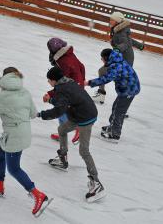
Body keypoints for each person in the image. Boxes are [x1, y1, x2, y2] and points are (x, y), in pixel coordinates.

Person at [0, 67, 50, 216]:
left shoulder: (3, 96)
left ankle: (37, 194)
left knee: (14, 169)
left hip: (14, 136)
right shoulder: (25, 92)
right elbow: (33, 114)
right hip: (21, 133)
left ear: (4, 78)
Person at [37, 66, 105, 202]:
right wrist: (50, 100)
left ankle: (96, 183)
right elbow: (63, 101)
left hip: (86, 118)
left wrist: (40, 114)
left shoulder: (63, 89)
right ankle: (63, 158)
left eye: (49, 80)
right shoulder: (68, 82)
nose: (48, 83)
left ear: (54, 80)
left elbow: (59, 111)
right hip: (78, 114)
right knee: (62, 130)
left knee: (84, 151)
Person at [86, 49, 140, 142]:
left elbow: (106, 79)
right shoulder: (117, 61)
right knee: (115, 107)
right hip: (126, 89)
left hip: (129, 90)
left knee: (119, 112)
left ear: (107, 58)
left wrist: (89, 83)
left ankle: (115, 134)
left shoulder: (115, 66)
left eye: (102, 58)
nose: (101, 60)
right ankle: (112, 127)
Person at [92, 11, 143, 104]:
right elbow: (129, 40)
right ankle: (119, 102)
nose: (110, 21)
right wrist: (139, 45)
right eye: (110, 19)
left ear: (118, 21)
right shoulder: (119, 30)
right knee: (119, 80)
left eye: (112, 20)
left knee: (105, 72)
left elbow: (125, 43)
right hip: (123, 58)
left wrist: (117, 50)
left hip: (125, 59)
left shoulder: (120, 32)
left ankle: (104, 96)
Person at [45, 37, 85, 144]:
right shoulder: (69, 54)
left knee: (61, 108)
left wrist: (50, 94)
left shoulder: (63, 61)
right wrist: (82, 81)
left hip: (71, 88)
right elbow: (82, 67)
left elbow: (62, 83)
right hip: (77, 86)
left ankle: (77, 128)